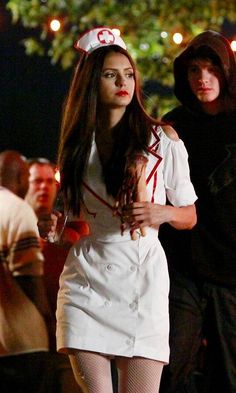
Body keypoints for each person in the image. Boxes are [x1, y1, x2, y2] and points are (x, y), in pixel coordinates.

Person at [55, 26, 197, 393]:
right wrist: (51, 226)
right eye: (110, 74)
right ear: (91, 82)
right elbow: (66, 222)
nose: (124, 82)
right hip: (87, 279)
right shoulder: (75, 147)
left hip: (142, 278)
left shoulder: (162, 139)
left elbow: (189, 215)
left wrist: (161, 213)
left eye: (129, 73)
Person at [159, 30, 236, 393]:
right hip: (184, 266)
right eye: (194, 70)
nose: (202, 78)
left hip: (231, 269)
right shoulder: (173, 127)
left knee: (229, 373)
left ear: (226, 71)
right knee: (173, 366)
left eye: (211, 69)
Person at [25, 157, 86, 393]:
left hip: (66, 345)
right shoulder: (10, 225)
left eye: (50, 181)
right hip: (25, 349)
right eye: (37, 181)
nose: (44, 187)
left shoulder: (73, 225)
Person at [0, 150, 51, 393]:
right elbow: (27, 276)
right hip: (22, 342)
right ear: (22, 177)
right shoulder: (17, 210)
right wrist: (48, 320)